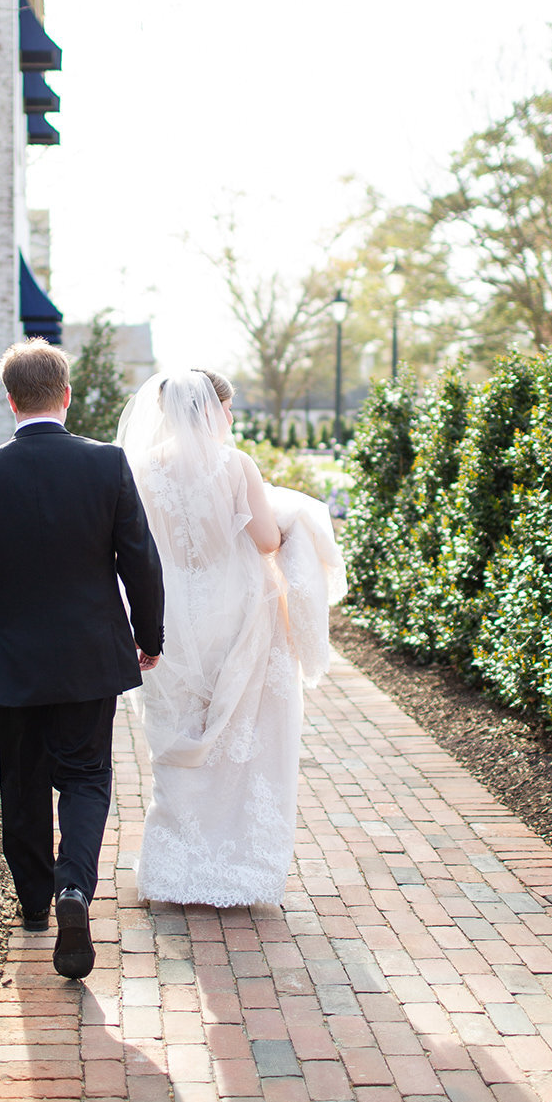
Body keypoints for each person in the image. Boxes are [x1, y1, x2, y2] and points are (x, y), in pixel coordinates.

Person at [0, 340, 164, 979]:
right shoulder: (107, 465)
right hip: (92, 655)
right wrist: (150, 636)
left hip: (15, 663)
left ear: (10, 400)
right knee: (88, 777)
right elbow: (140, 562)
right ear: (65, 396)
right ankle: (75, 889)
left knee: (24, 781)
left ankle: (35, 906)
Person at [116, 369, 345, 909]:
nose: (231, 419)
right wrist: (294, 523)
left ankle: (172, 868)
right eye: (228, 409)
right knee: (245, 740)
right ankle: (238, 867)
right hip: (239, 613)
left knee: (176, 734)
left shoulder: (142, 467)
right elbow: (266, 540)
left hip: (170, 615)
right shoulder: (234, 464)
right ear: (211, 410)